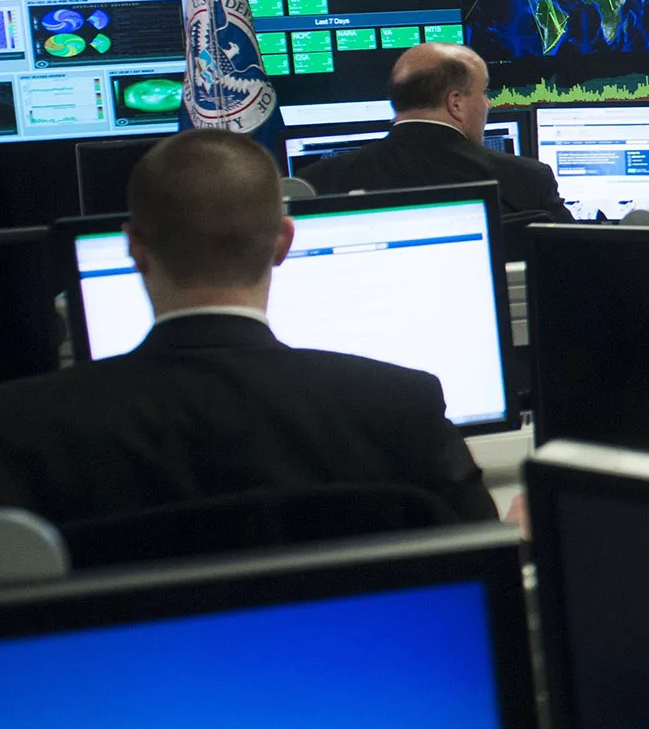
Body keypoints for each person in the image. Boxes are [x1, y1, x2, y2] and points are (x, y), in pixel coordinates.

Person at [0, 129, 498, 527]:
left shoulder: (26, 427)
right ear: (284, 242)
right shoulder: (401, 406)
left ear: (133, 245)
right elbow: (482, 558)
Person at [301, 42, 573, 242]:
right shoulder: (526, 178)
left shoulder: (318, 181)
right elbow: (577, 260)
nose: (487, 104)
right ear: (456, 103)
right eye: (483, 92)